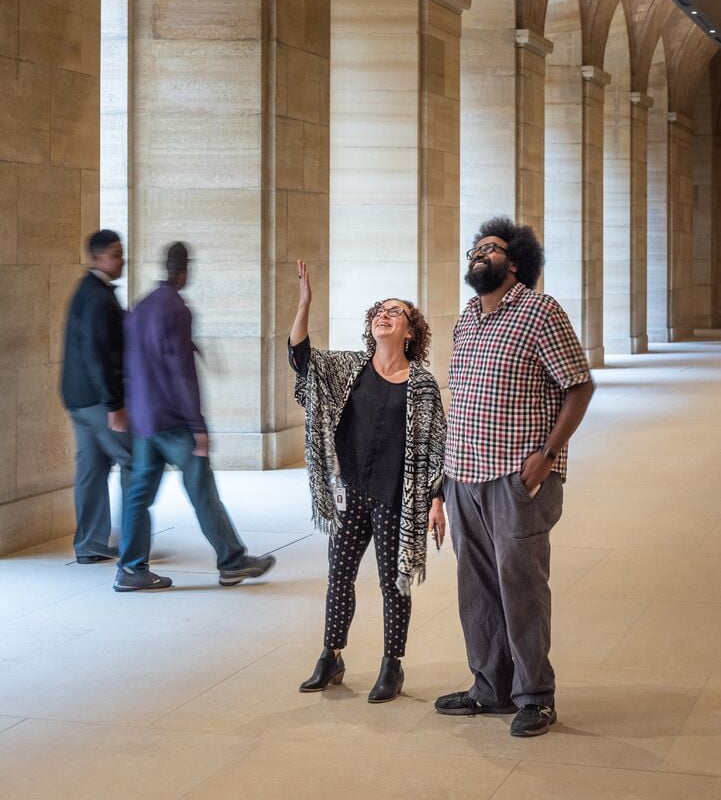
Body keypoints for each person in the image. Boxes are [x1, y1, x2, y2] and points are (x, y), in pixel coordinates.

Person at [435, 216, 594, 737]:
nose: (479, 255)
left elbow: (578, 386)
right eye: (474, 250)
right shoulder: (466, 320)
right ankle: (490, 688)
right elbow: (459, 402)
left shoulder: (540, 311)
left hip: (515, 478)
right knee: (476, 590)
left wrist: (548, 456)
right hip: (464, 476)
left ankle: (535, 696)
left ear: (516, 262)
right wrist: (444, 481)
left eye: (491, 249)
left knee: (520, 587)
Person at [289, 260, 446, 702]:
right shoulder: (348, 369)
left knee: (393, 580)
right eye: (380, 309)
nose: (385, 314)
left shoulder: (422, 385)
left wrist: (436, 500)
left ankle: (391, 666)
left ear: (410, 331)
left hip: (396, 497)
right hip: (350, 491)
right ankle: (331, 655)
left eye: (396, 311)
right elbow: (302, 359)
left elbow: (437, 446)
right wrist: (304, 302)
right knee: (339, 575)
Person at [114, 242, 275, 592]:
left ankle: (130, 568)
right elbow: (180, 372)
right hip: (173, 421)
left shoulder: (141, 308)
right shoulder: (177, 309)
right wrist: (198, 426)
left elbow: (134, 361)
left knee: (139, 495)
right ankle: (232, 561)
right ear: (185, 270)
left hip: (145, 419)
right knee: (202, 490)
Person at [61, 229, 132, 564]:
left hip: (78, 399)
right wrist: (115, 405)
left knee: (92, 468)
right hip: (96, 402)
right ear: (97, 257)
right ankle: (135, 543)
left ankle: (89, 544)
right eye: (116, 254)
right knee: (137, 462)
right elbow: (98, 354)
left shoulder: (88, 290)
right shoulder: (98, 298)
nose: (122, 260)